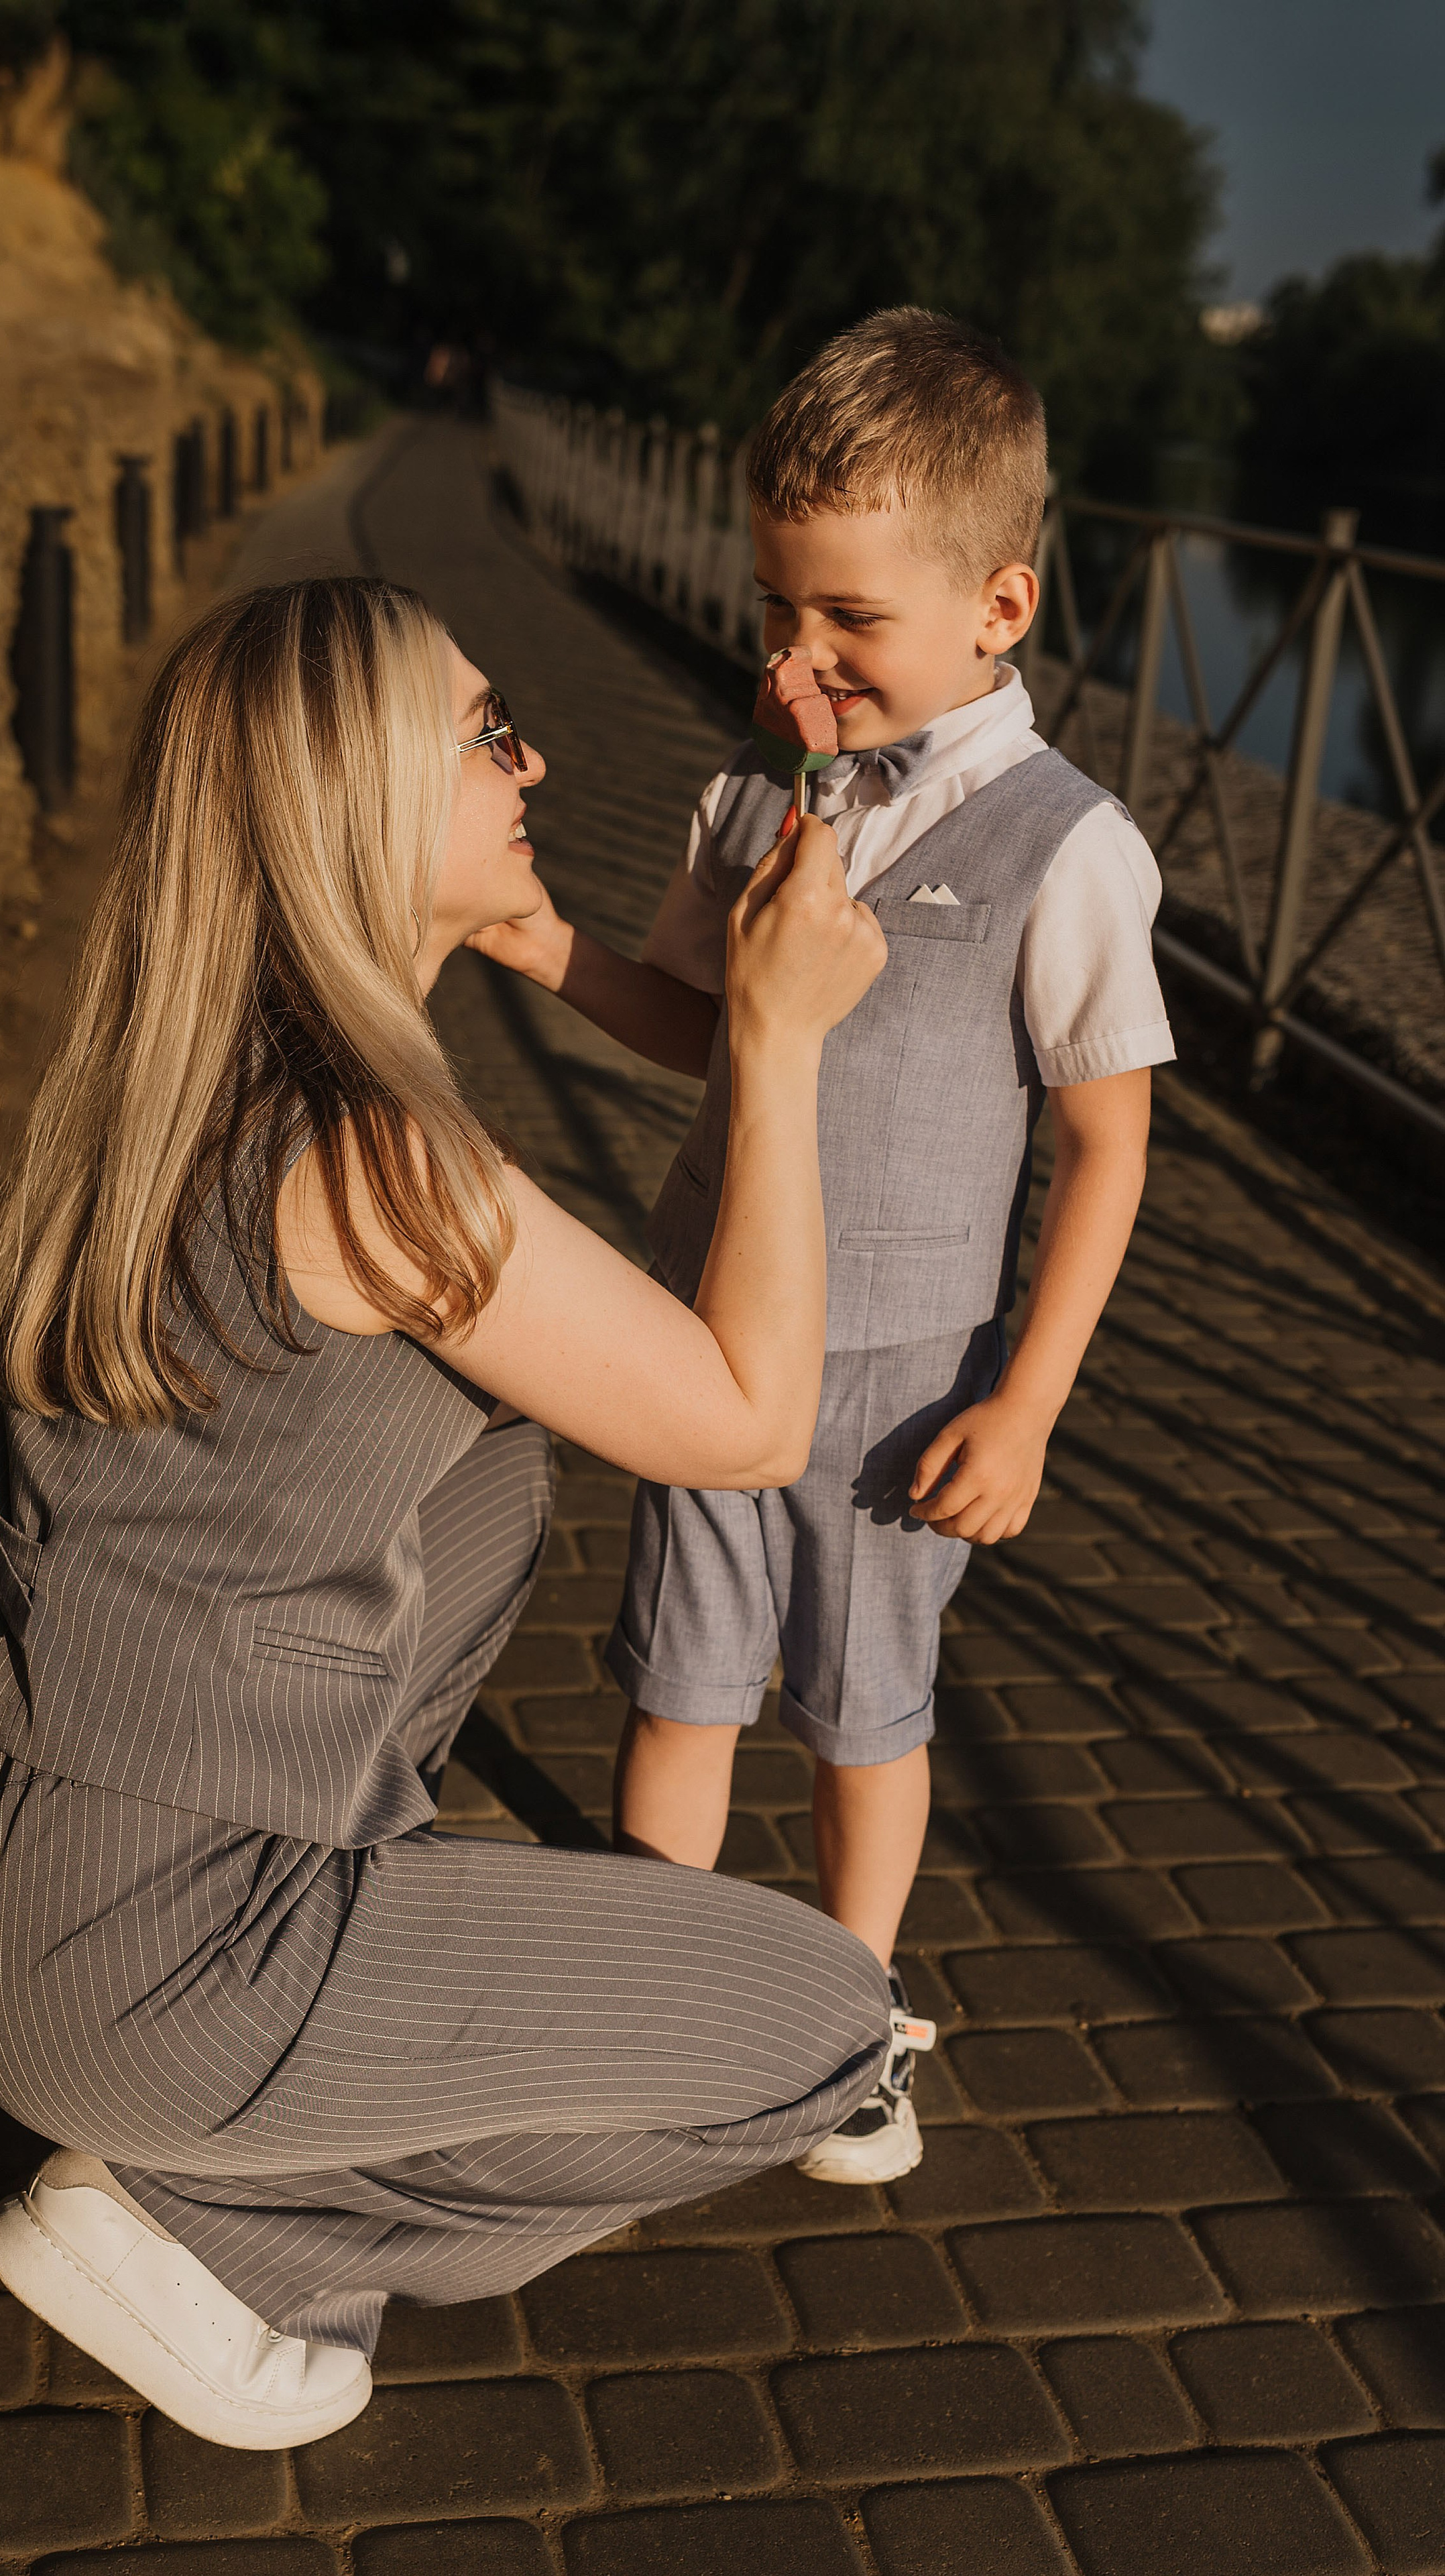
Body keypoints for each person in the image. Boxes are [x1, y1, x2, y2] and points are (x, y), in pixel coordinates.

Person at [0, 575, 889, 2454]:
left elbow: (585, 1379)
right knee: (827, 2026)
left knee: (495, 1469)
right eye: (490, 733)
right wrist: (791, 1037)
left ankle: (272, 2053)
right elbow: (745, 1422)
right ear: (348, 806)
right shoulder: (380, 1156)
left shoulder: (168, 1064)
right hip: (130, 1961)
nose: (539, 754)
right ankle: (211, 2225)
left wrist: (541, 940)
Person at [472, 308, 1173, 2186]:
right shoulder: (748, 796)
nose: (795, 662)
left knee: (864, 1715)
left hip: (896, 1386)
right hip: (706, 1342)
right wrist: (545, 951)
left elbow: (1109, 1139)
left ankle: (847, 2024)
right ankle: (649, 1993)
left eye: (846, 622)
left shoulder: (1070, 848)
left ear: (1001, 602)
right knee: (677, 1679)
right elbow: (703, 1026)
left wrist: (1028, 1401)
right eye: (780, 611)